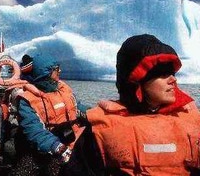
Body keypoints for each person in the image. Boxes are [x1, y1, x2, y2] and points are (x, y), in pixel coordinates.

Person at [68, 34, 200, 175]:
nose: (173, 79)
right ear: (136, 82)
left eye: (172, 73)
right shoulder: (101, 129)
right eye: (162, 74)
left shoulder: (192, 120)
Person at [13, 54, 86, 175]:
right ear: (46, 72)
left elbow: (77, 106)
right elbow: (34, 130)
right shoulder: (27, 99)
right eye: (56, 68)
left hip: (75, 139)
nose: (60, 71)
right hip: (51, 147)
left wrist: (96, 112)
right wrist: (58, 148)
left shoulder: (63, 88)